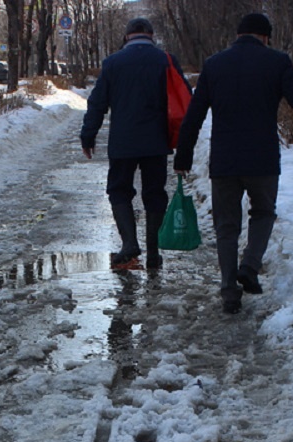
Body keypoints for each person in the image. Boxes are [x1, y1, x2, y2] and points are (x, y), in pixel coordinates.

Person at [173, 12, 293, 314]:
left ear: (238, 35)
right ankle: (249, 265)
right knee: (263, 213)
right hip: (262, 159)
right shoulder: (276, 62)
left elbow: (194, 115)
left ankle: (228, 291)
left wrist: (183, 156)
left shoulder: (215, 64)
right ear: (266, 37)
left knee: (226, 226)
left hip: (225, 161)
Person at [81, 17, 190, 269]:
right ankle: (153, 253)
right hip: (156, 141)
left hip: (123, 142)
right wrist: (184, 140)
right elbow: (185, 100)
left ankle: (129, 243)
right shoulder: (167, 60)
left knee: (119, 190)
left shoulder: (113, 63)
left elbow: (97, 103)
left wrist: (88, 135)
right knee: (154, 193)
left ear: (127, 36)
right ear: (151, 35)